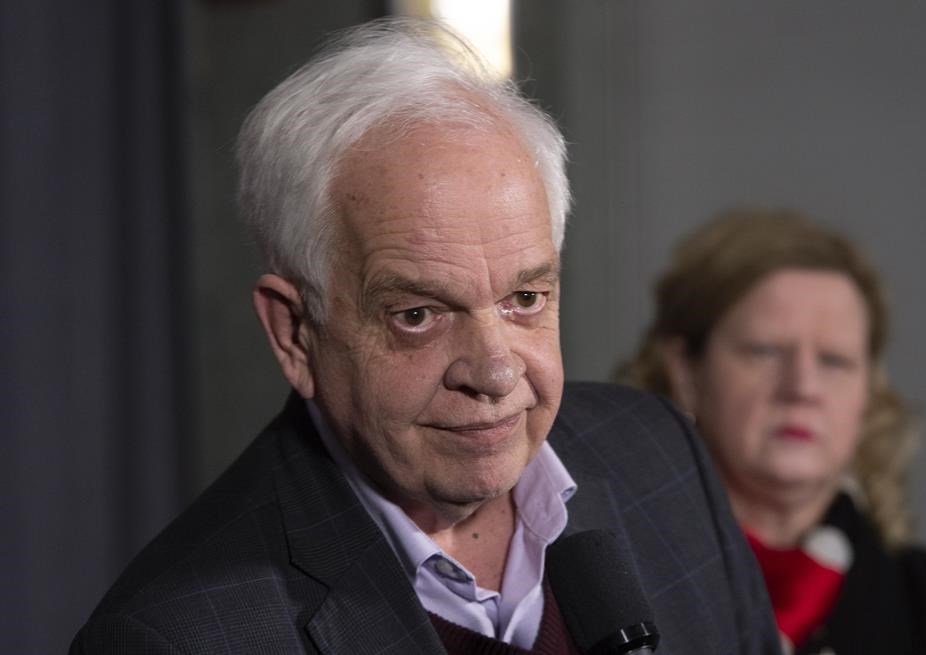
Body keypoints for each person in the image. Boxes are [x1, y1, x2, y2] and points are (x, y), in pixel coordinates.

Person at [70, 19, 781, 654]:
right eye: (418, 315)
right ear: (295, 333)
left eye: (525, 298)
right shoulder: (175, 636)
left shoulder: (662, 456)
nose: (495, 371)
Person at [620, 207, 926, 654]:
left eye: (834, 360)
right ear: (687, 375)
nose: (802, 388)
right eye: (765, 351)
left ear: (868, 394)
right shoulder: (605, 588)